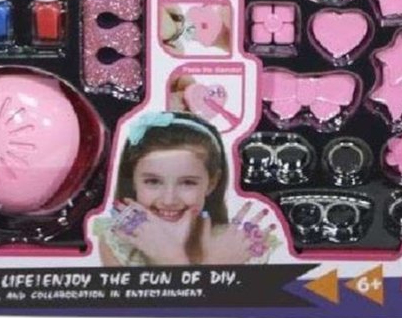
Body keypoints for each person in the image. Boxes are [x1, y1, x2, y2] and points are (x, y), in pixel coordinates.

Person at [95, 112, 276, 266]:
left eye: (188, 183)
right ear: (133, 181)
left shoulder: (241, 246)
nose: (169, 200)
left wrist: (175, 261)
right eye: (152, 181)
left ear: (212, 183)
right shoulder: (119, 242)